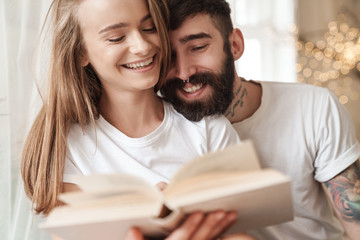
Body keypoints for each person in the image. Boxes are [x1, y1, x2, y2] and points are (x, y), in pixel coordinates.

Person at [20, 0, 242, 239]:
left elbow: (239, 233)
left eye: (149, 28)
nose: (142, 46)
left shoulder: (208, 129)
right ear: (80, 52)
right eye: (116, 37)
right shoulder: (69, 148)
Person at [158, 0, 360, 239]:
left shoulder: (315, 106)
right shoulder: (155, 131)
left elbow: (355, 221)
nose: (184, 72)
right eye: (168, 56)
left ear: (234, 45)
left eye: (198, 47)